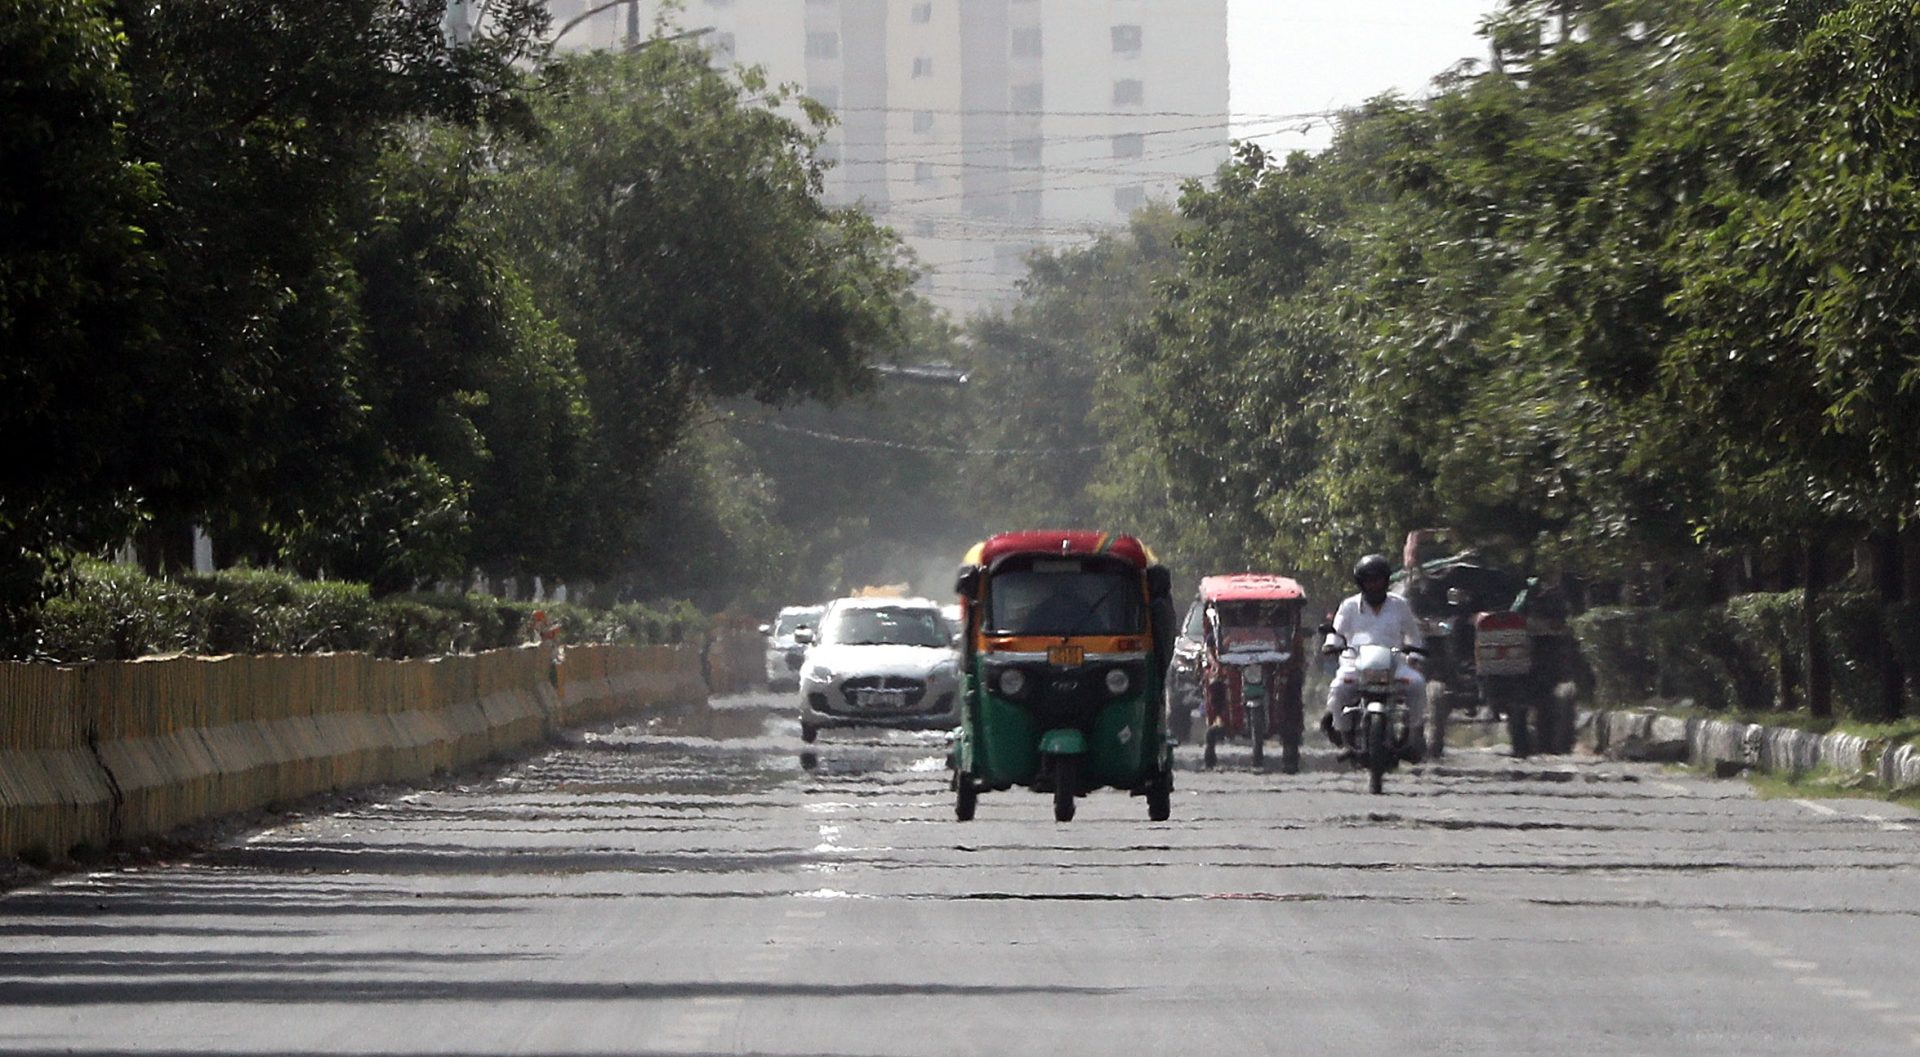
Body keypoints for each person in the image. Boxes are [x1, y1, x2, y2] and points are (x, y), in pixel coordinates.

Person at [1323, 553, 1427, 760]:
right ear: (1361, 582)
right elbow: (1336, 633)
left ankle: (1413, 735)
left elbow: (1413, 635)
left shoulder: (1400, 604)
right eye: (1368, 580)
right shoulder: (1349, 606)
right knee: (1337, 689)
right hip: (1356, 664)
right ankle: (1346, 740)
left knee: (1417, 684)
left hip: (1394, 665)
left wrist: (1415, 654)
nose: (1373, 585)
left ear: (1386, 580)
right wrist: (1331, 645)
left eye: (1377, 579)